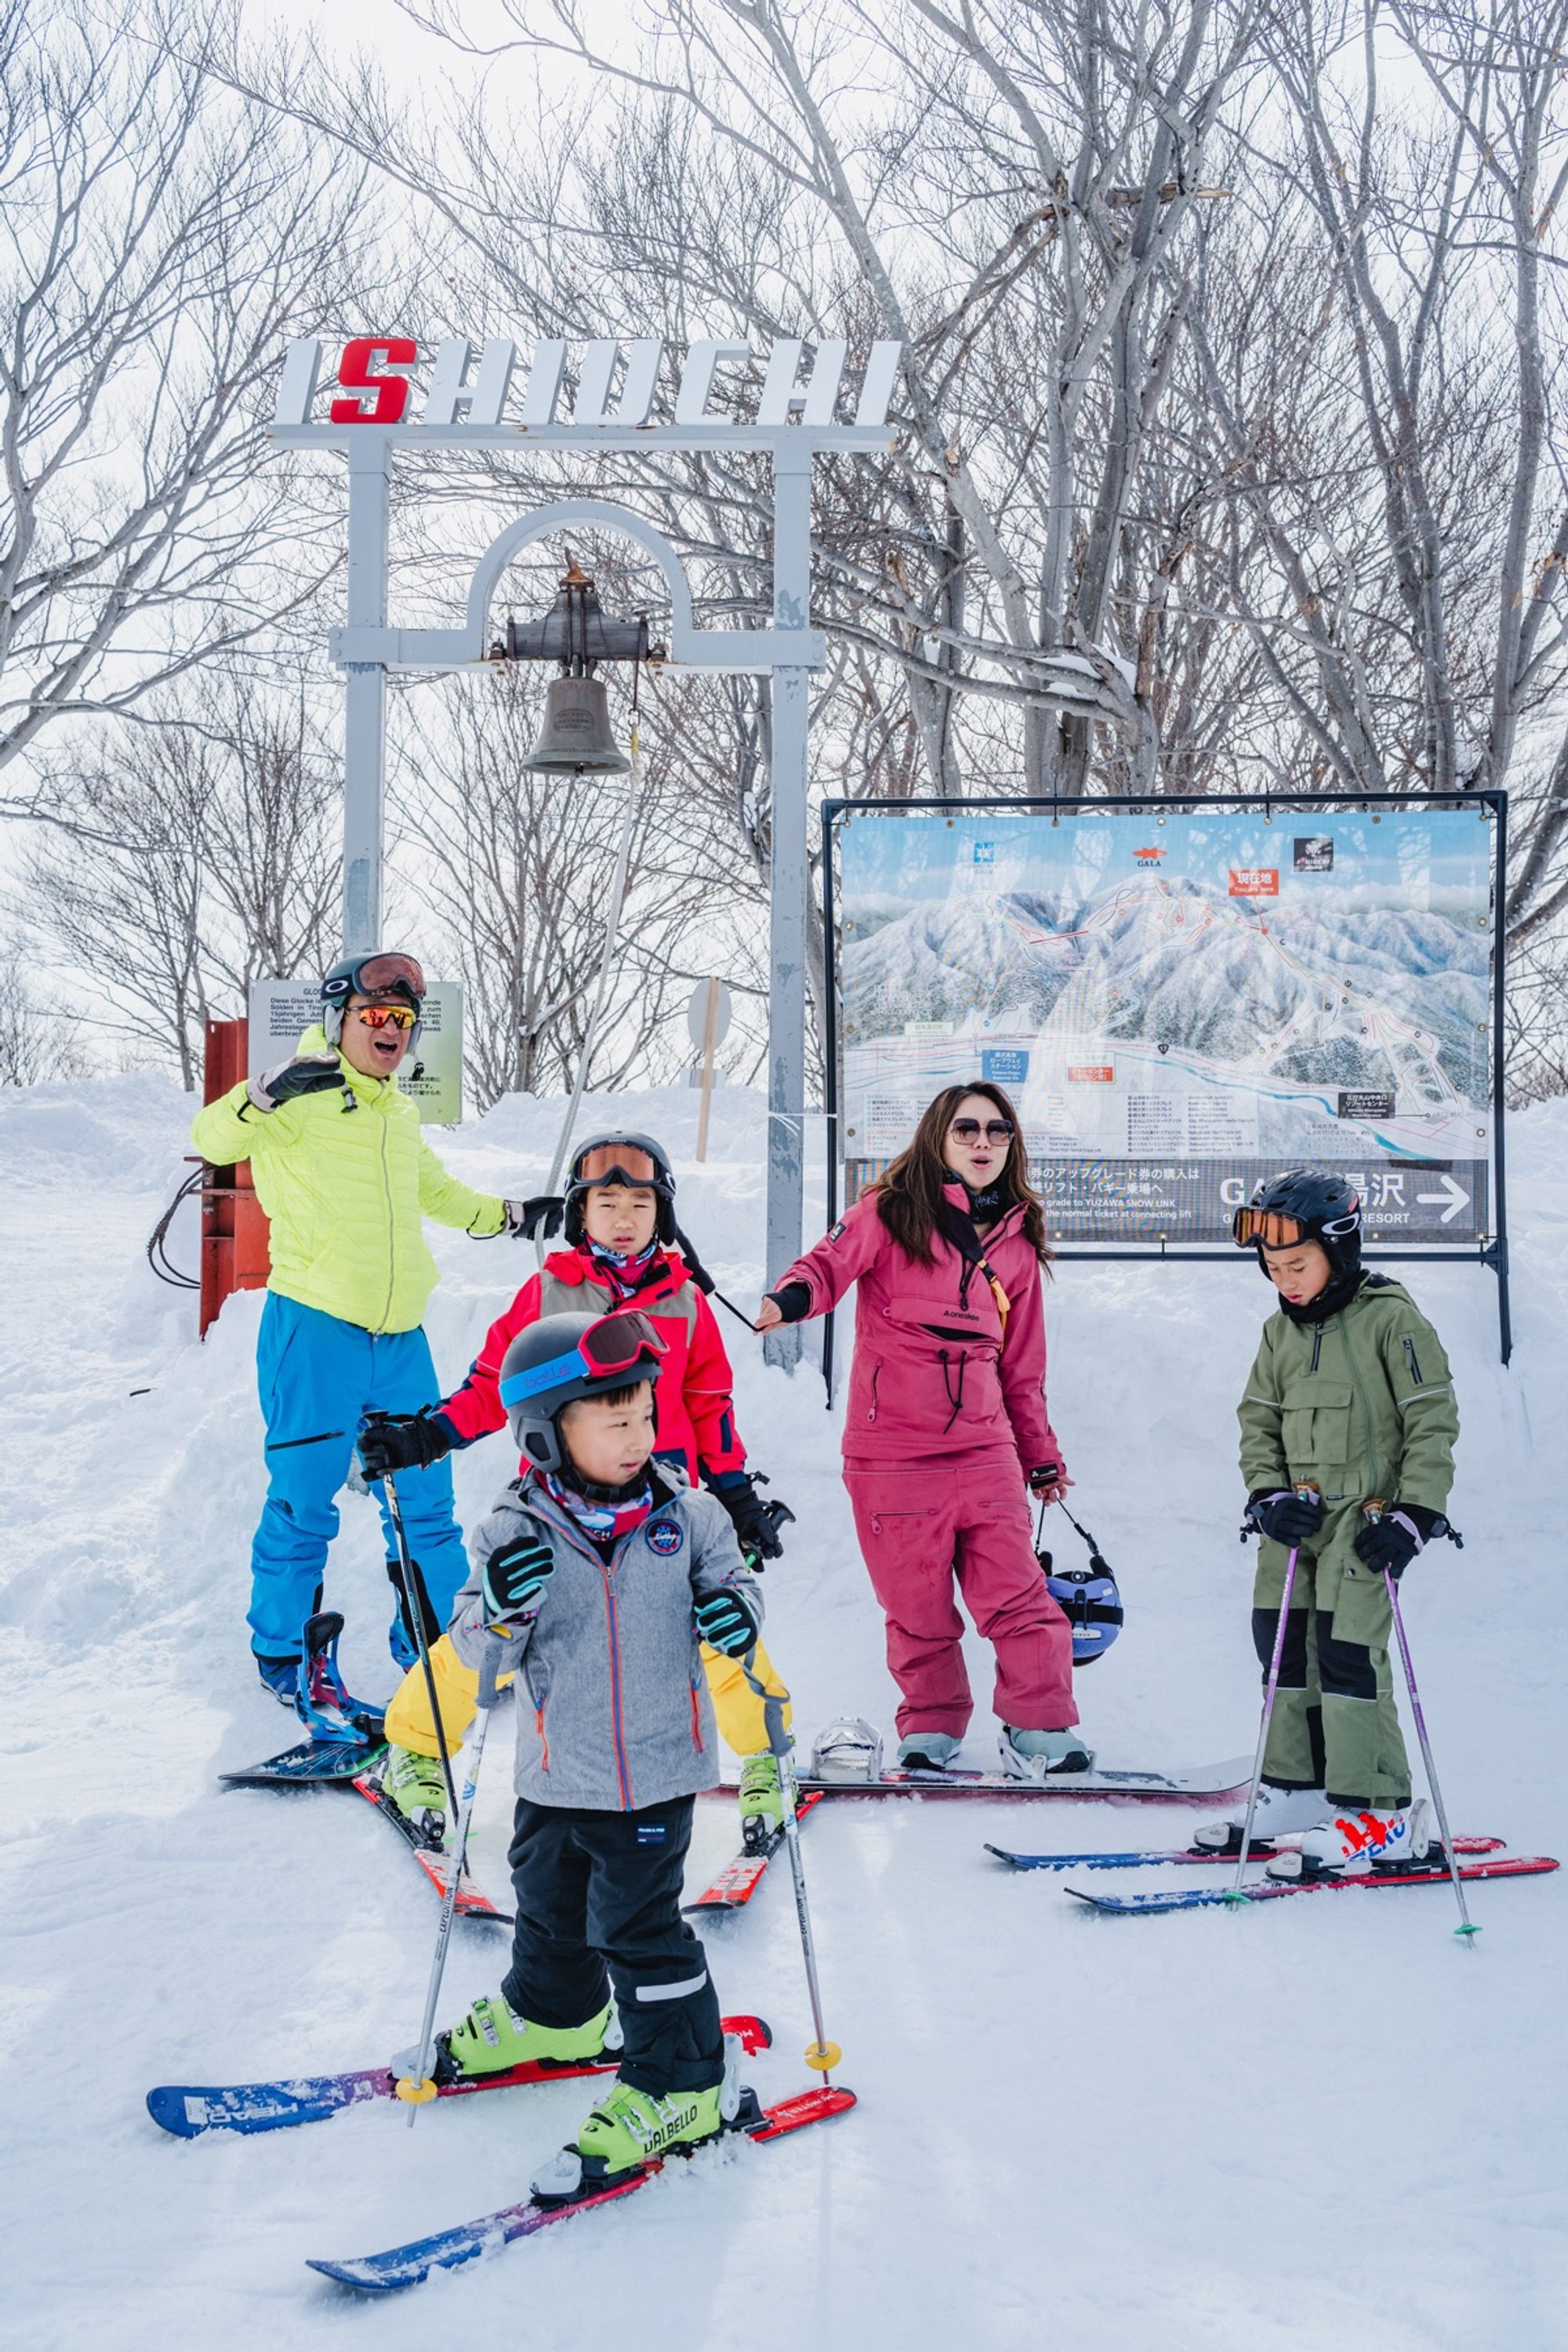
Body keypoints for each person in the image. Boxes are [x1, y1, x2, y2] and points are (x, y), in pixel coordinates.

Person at [358, 1131, 793, 1845]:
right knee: (494, 1620)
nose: (624, 1218)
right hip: (553, 1503)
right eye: (606, 1202)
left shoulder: (685, 1302)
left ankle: (765, 1760)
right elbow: (490, 1386)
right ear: (578, 1214)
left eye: (640, 1203)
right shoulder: (548, 1291)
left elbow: (710, 1407)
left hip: (662, 1502)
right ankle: (415, 1747)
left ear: (665, 1215)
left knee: (717, 1630)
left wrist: (736, 1496)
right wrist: (427, 1436)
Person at [416, 1307, 763, 2201]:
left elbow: (734, 1584)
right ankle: (556, 2015)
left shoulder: (685, 1516)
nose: (638, 1436)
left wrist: (735, 1613)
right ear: (543, 1435)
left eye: (644, 1416)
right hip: (552, 1769)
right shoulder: (510, 1534)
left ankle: (685, 2083)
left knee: (636, 1930)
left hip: (653, 1773)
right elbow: (481, 1659)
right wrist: (498, 1607)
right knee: (549, 1902)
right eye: (614, 1423)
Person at [191, 950, 529, 1702]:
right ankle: (285, 1655)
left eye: (403, 1021)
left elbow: (434, 1192)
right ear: (338, 1016)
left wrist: (512, 1216)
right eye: (376, 1016)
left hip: (400, 1340)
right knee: (303, 1501)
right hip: (314, 1330)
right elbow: (212, 1140)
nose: (392, 1032)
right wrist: (262, 1095)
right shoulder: (296, 1096)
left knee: (426, 1508)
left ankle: (438, 1646)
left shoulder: (397, 1113)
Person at [756, 1081, 1089, 1779]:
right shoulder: (890, 1212)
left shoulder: (1019, 1246)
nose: (982, 1143)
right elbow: (828, 1264)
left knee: (1019, 1596)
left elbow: (1022, 1369)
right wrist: (792, 1299)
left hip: (986, 1450)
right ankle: (932, 1724)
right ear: (939, 1134)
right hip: (892, 1457)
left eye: (998, 1132)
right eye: (966, 1129)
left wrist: (1041, 1458)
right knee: (918, 1609)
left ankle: (1039, 1725)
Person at [1195, 1169, 1460, 1879]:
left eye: (1298, 1265)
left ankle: (1382, 1812)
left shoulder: (1391, 1319)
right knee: (1281, 1651)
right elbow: (1259, 1422)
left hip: (1364, 1523)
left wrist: (1414, 1516)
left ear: (1339, 1253)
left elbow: (1431, 1419)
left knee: (1347, 1659)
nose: (1285, 1280)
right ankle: (1300, 1786)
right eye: (1274, 1268)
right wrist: (1268, 1496)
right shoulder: (1279, 1333)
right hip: (1297, 1525)